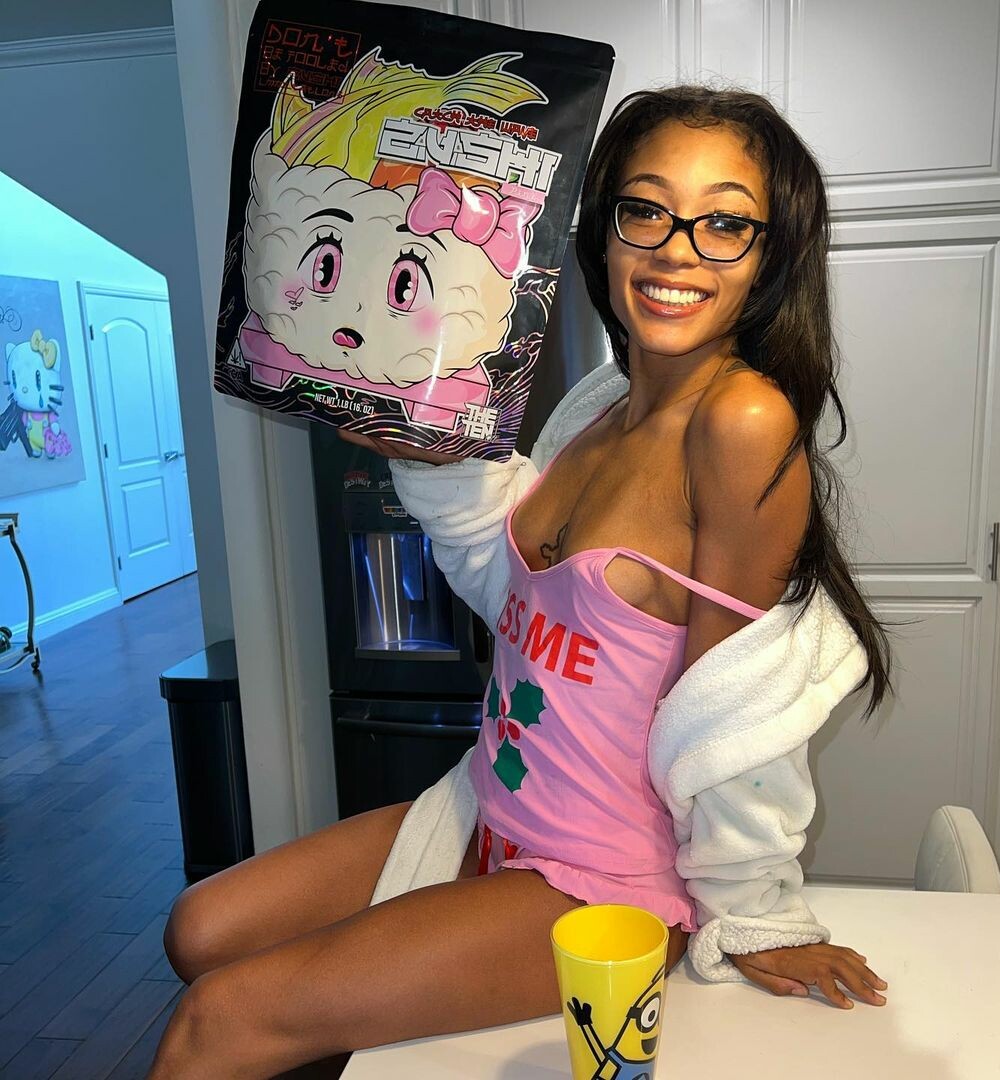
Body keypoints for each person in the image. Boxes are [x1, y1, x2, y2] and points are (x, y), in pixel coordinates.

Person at [152, 86, 895, 1079]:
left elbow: (738, 708)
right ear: (602, 233)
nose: (678, 250)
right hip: (487, 808)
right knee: (199, 929)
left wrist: (755, 911)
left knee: (220, 1018)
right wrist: (429, 459)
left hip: (602, 879)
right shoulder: (604, 403)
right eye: (646, 209)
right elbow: (518, 598)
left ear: (773, 253)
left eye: (724, 223)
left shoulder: (742, 422)